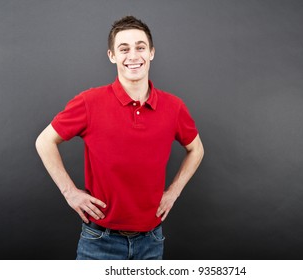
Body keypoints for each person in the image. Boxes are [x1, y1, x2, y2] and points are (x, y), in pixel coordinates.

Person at [35, 15, 204, 260]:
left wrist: (174, 192)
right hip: (99, 241)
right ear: (112, 56)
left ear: (152, 53)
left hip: (151, 241)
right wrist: (69, 192)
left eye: (140, 47)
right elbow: (44, 141)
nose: (133, 56)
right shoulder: (89, 102)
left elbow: (196, 149)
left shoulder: (174, 107)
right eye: (124, 49)